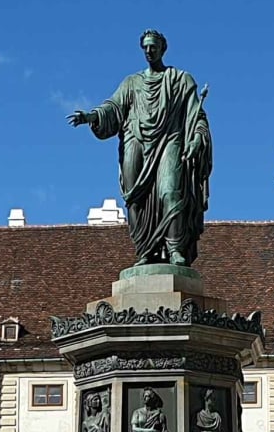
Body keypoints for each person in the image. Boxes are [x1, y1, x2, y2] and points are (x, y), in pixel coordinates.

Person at [67, 29, 212, 267]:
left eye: (153, 46)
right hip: (135, 139)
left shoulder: (180, 80)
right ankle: (145, 250)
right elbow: (113, 108)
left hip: (169, 140)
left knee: (171, 192)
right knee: (134, 198)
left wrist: (197, 138)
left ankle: (175, 249)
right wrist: (91, 116)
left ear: (163, 48)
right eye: (144, 47)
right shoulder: (131, 83)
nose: (148, 51)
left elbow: (197, 116)